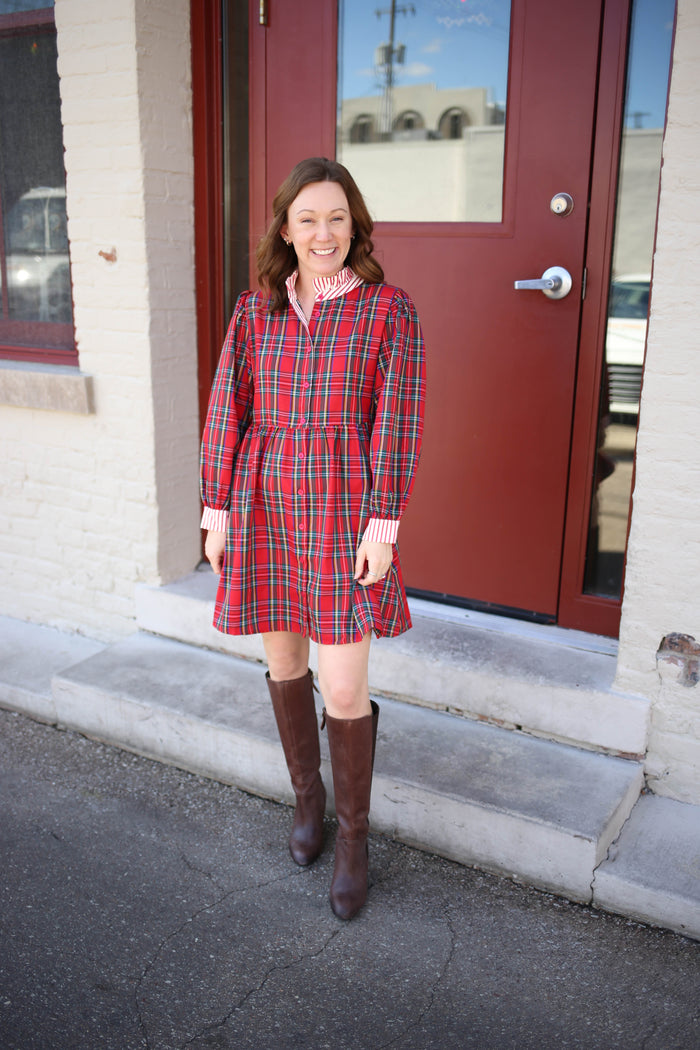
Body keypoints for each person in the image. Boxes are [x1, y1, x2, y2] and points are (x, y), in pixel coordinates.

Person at [200, 157, 425, 921]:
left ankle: (354, 839)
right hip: (263, 505)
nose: (323, 233)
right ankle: (308, 799)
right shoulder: (253, 311)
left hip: (342, 512)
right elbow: (226, 410)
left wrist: (383, 526)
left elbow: (398, 424)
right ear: (286, 231)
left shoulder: (387, 311)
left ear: (354, 226)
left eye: (336, 218)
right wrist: (217, 509)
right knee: (285, 664)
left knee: (344, 688)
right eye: (308, 219)